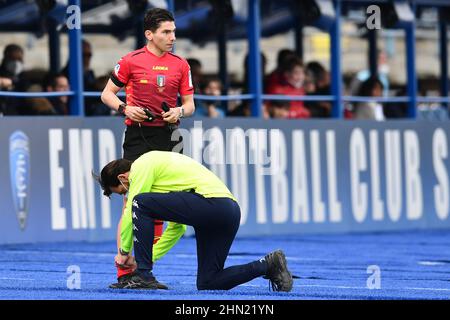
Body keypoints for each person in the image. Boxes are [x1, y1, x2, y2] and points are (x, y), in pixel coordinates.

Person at [97, 151, 294, 291]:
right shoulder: (161, 181)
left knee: (139, 202)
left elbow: (133, 207)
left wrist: (124, 253)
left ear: (123, 176)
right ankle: (268, 264)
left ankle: (144, 275)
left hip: (213, 205)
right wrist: (150, 256)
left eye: (124, 189)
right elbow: (177, 228)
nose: (127, 192)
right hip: (228, 212)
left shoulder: (142, 165)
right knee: (209, 282)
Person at [100, 8, 195, 286]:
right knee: (132, 203)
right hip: (137, 137)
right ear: (149, 34)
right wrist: (124, 107)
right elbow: (106, 93)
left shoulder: (181, 65)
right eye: (166, 32)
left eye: (174, 31)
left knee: (163, 206)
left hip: (169, 137)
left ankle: (144, 270)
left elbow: (190, 105)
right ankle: (123, 271)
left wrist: (179, 111)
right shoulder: (130, 61)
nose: (172, 37)